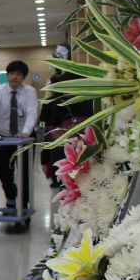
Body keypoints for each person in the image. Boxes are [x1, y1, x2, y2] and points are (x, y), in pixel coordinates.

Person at [0, 60, 39, 212]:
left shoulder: (30, 92)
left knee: (25, 172)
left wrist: (26, 131)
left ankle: (23, 205)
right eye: (12, 73)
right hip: (4, 137)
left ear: (23, 77)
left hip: (25, 138)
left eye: (18, 74)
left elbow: (32, 113)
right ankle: (11, 196)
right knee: (3, 169)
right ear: (8, 75)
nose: (14, 77)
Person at [39, 46, 93, 187]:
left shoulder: (54, 100)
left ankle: (62, 184)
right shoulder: (91, 97)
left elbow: (45, 126)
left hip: (61, 146)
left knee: (66, 181)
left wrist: (44, 159)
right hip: (87, 144)